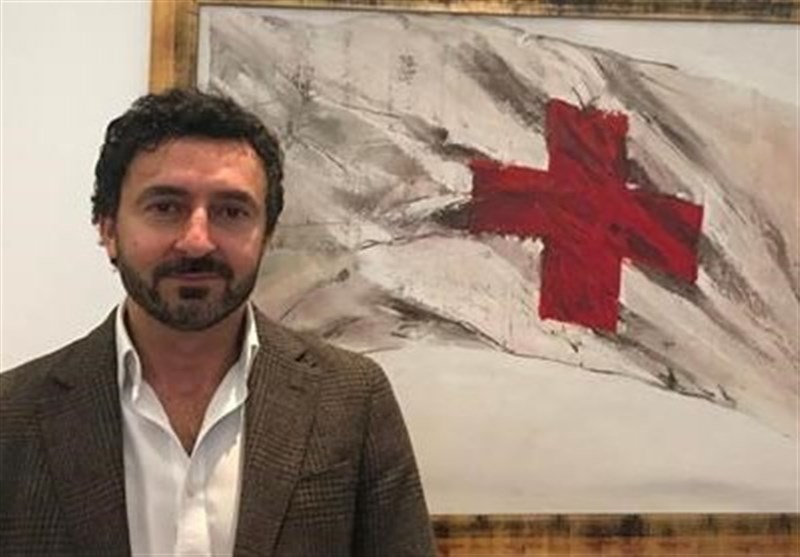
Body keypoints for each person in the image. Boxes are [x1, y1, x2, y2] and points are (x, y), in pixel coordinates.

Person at [0, 88, 436, 556]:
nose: (197, 241)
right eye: (165, 207)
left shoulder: (352, 399)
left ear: (266, 234)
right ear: (108, 228)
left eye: (231, 211)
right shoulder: (12, 415)